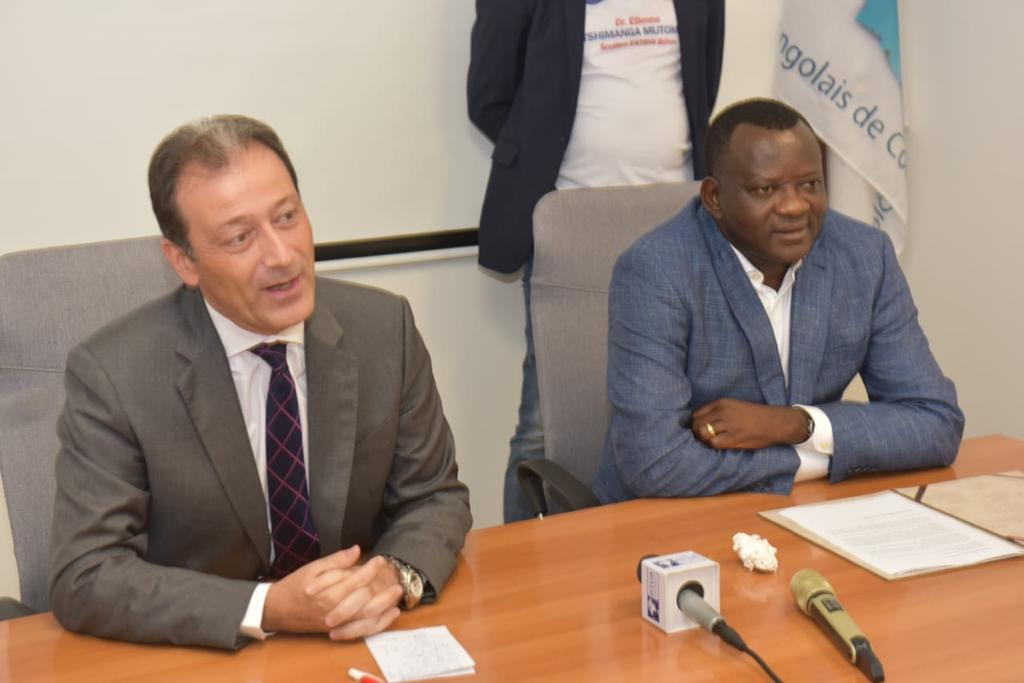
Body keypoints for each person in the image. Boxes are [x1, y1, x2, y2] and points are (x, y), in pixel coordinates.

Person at [48, 115, 472, 648]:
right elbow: (86, 573)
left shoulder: (384, 329)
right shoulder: (115, 374)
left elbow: (434, 498)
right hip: (204, 658)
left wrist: (392, 576)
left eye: (287, 217)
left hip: (357, 640)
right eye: (240, 237)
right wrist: (267, 608)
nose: (281, 255)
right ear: (183, 261)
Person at [594, 98, 964, 501]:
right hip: (671, 517)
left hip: (810, 513)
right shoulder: (657, 270)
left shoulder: (863, 256)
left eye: (810, 185)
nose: (794, 207)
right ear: (715, 198)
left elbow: (936, 423)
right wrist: (811, 460)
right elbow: (655, 463)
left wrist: (793, 425)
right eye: (765, 189)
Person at [468, 0, 725, 521]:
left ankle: (661, 547)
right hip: (571, 221)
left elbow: (703, 81)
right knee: (545, 426)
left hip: (677, 222)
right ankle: (521, 566)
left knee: (685, 409)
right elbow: (489, 99)